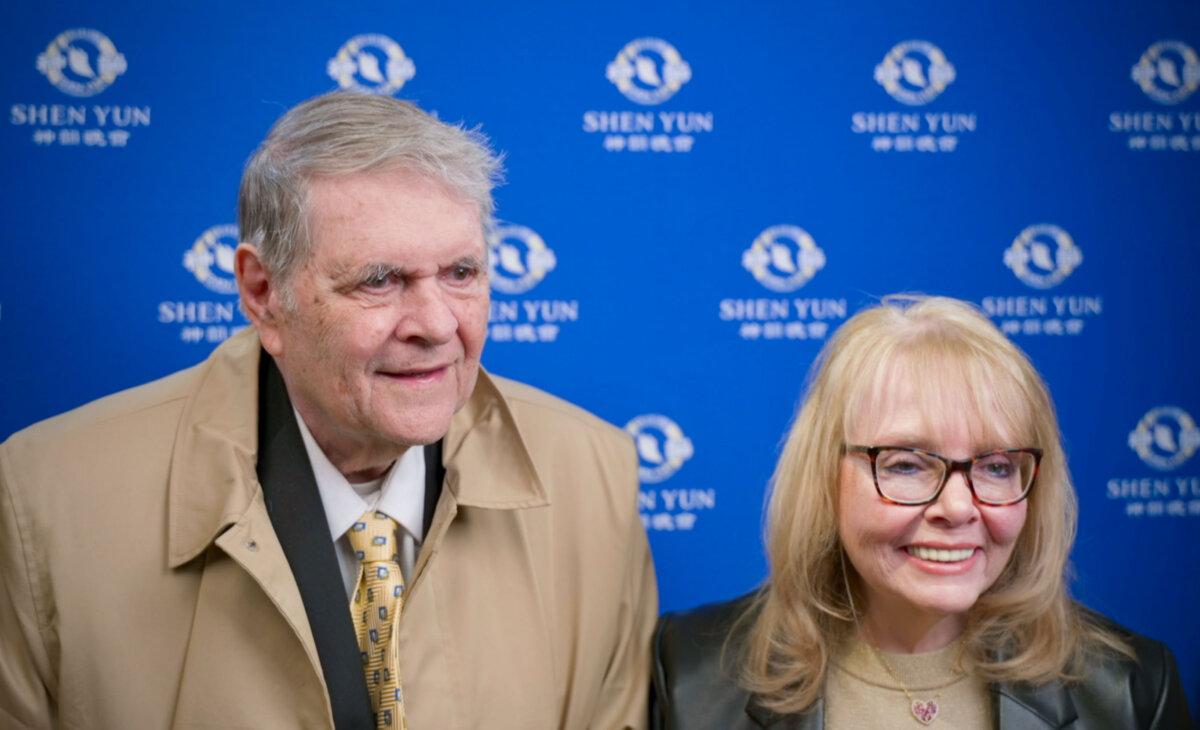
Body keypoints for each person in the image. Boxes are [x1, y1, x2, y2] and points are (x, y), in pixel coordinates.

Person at [0, 91, 656, 729]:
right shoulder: (46, 501)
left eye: (460, 273)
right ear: (263, 293)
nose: (435, 324)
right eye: (379, 280)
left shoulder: (593, 477)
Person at [653, 296, 1191, 729]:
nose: (958, 507)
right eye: (908, 465)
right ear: (824, 478)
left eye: (997, 467)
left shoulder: (1129, 688)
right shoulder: (690, 676)